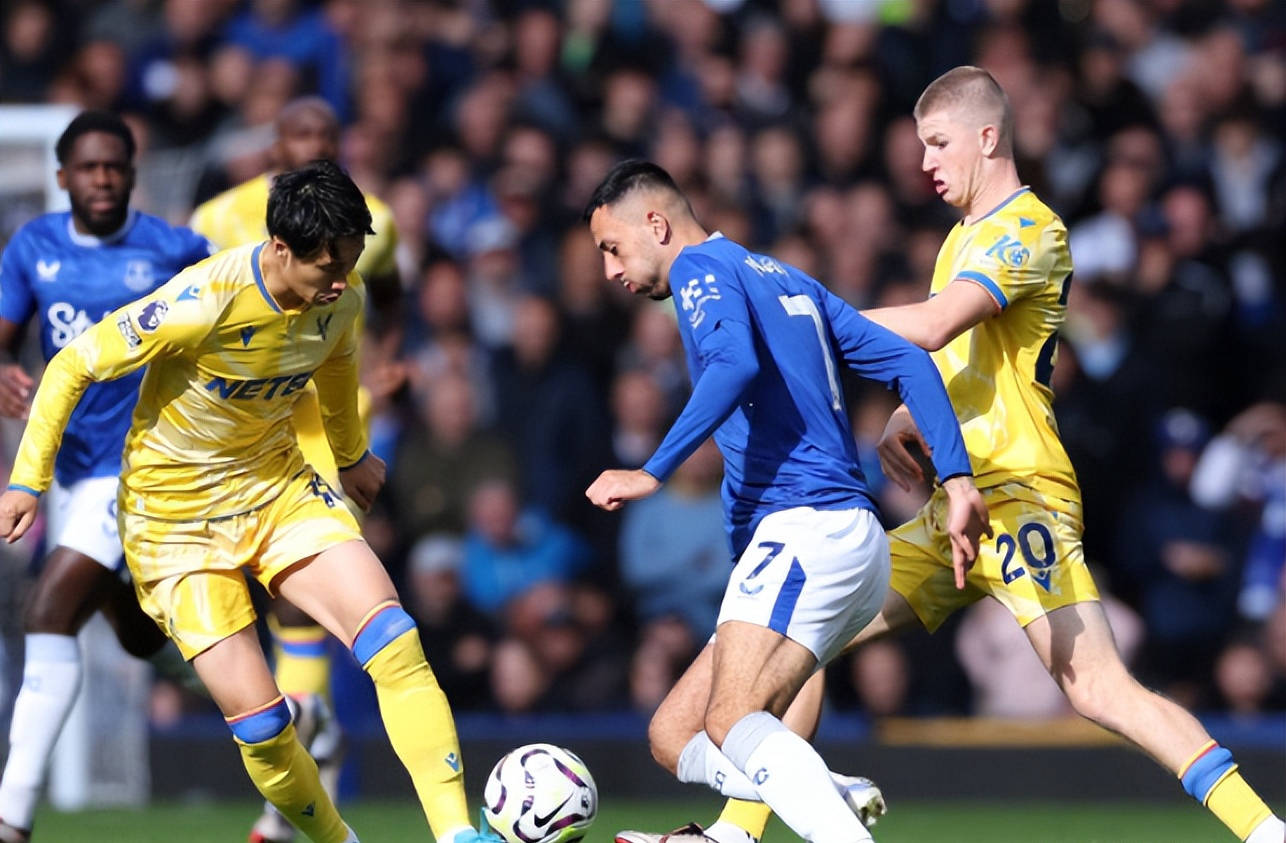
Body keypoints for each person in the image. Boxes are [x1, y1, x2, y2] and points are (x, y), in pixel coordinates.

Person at [653, 66, 1285, 843]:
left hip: (1018, 492)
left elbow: (935, 324)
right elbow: (955, 363)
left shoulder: (1031, 227)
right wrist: (906, 418)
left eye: (938, 142)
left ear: (988, 138)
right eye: (922, 146)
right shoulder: (958, 239)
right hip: (948, 501)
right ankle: (735, 833)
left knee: (1098, 687)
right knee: (808, 638)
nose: (925, 162)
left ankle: (1264, 830)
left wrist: (794, 310)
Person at [0, 160, 500, 843]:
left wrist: (350, 457)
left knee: (395, 640)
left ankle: (456, 833)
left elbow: (336, 369)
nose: (341, 280)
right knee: (265, 728)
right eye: (328, 265)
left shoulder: (340, 297)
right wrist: (28, 480)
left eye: (350, 262)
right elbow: (72, 364)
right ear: (279, 249)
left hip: (277, 491)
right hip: (174, 525)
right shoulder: (202, 301)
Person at [583, 159, 990, 843]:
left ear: (656, 224)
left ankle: (823, 823)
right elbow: (910, 361)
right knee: (674, 733)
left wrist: (653, 470)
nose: (608, 270)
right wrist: (958, 482)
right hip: (845, 541)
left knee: (731, 720)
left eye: (611, 247)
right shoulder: (786, 279)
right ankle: (824, 792)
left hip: (804, 528)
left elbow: (732, 363)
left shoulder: (699, 271)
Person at [189, 96, 400, 842]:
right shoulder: (217, 217)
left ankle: (297, 785)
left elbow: (389, 298)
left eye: (325, 136)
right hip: (227, 436)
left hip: (323, 428)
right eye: (299, 136)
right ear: (273, 144)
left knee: (300, 600)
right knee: (238, 605)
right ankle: (314, 740)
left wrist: (388, 365)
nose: (312, 145)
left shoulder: (373, 220)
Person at [0, 110, 214, 843]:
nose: (101, 179)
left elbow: (238, 324)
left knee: (48, 610)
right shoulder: (33, 247)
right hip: (71, 470)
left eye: (113, 167)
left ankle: (11, 817)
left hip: (147, 464)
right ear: (61, 178)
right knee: (130, 628)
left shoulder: (176, 250)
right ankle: (272, 704)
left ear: (131, 173)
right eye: (87, 168)